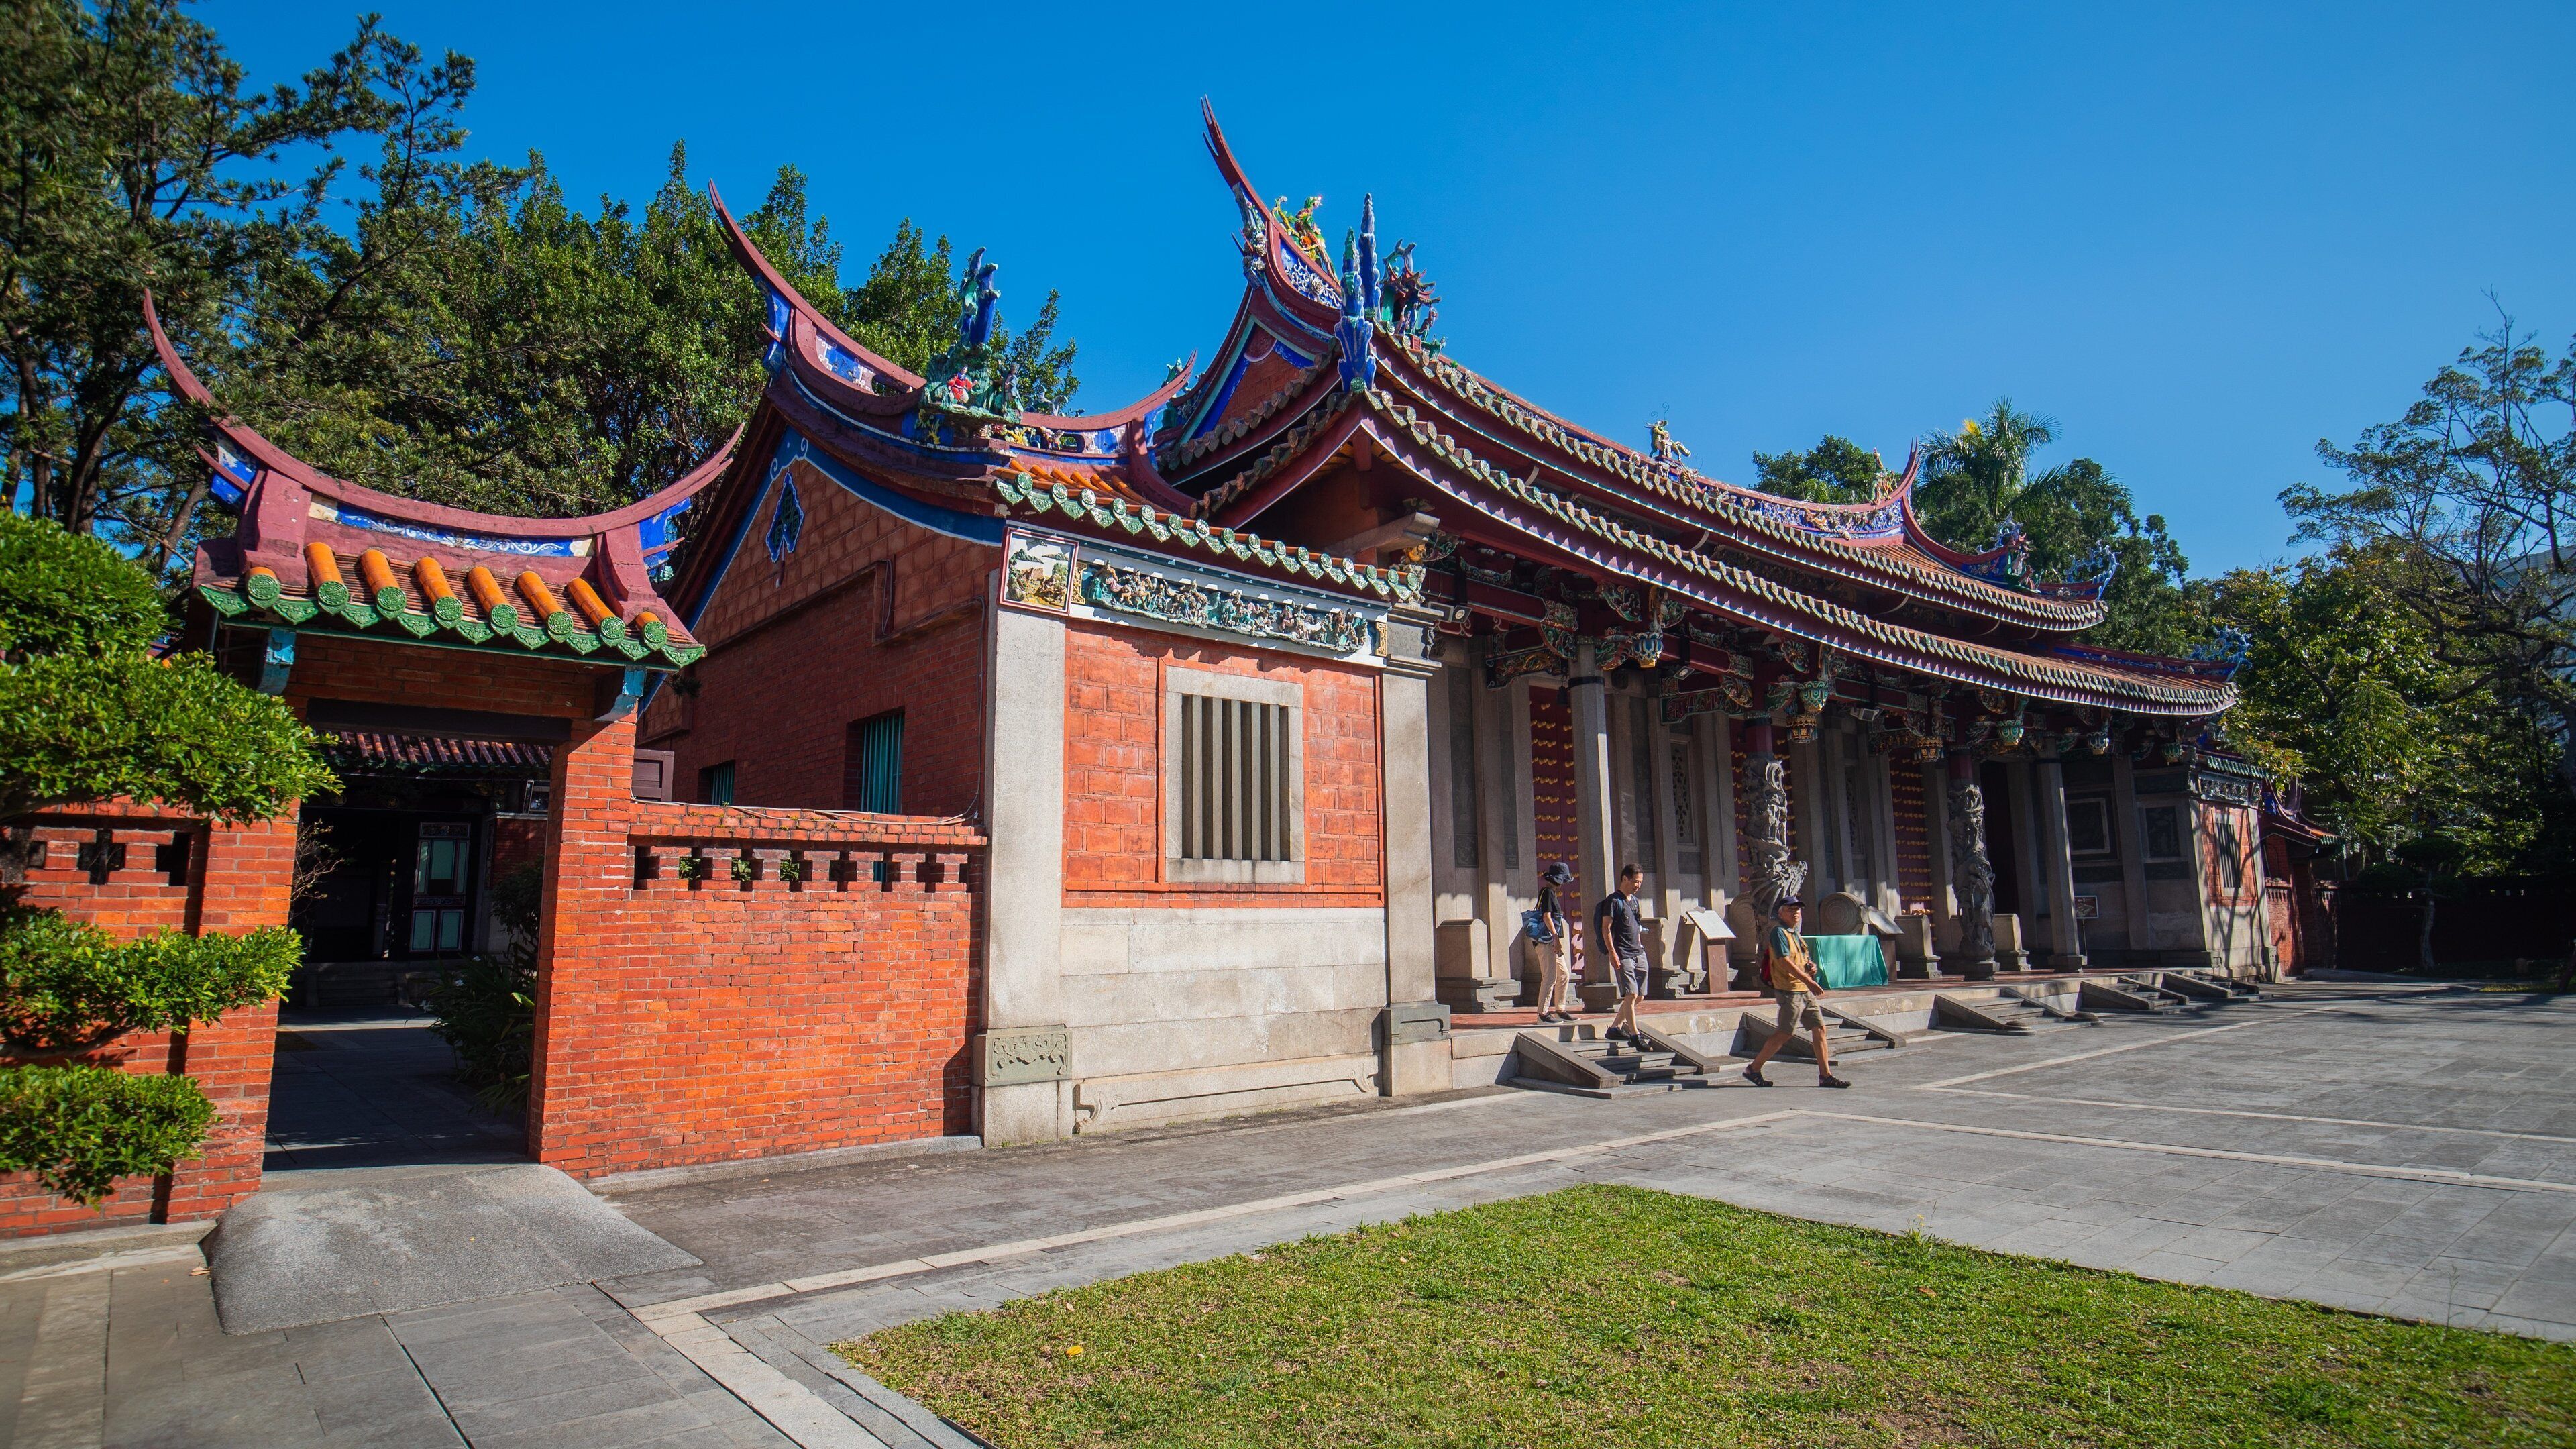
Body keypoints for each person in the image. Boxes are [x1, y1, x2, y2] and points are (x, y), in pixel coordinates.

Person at [1741, 897, 1851, 1089]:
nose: (1796, 913)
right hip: (1789, 991)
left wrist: (1811, 968)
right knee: (1785, 1032)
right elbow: (1784, 961)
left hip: (1803, 991)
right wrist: (1808, 980)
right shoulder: (1779, 933)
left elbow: (1801, 959)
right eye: (1791, 910)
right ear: (1781, 913)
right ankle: (1754, 1068)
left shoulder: (1795, 934)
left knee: (1819, 1029)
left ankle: (1825, 1075)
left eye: (1798, 910)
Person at [1595, 865, 1651, 1046]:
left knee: (1639, 995)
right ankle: (1635, 1036)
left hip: (1638, 952)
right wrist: (1613, 953)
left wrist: (1641, 947)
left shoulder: (1634, 901)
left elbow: (1637, 925)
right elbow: (1606, 928)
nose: (1638, 885)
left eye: (1640, 882)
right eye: (1635, 881)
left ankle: (1614, 1029)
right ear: (1624, 879)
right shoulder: (1613, 901)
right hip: (1623, 954)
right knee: (1631, 994)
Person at [1532, 862, 1578, 1023]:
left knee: (1564, 973)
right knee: (1550, 977)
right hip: (1547, 942)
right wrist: (1555, 937)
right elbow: (1546, 917)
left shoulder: (1550, 893)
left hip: (1551, 942)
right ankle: (1542, 1014)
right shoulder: (1548, 893)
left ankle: (1560, 1009)